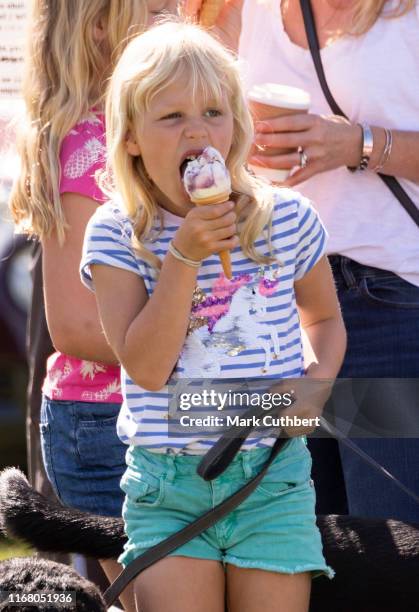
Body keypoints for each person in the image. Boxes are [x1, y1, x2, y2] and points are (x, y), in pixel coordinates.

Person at [80, 21, 346, 612]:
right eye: (171, 118)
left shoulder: (288, 218)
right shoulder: (120, 233)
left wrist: (317, 381)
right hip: (167, 481)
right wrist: (183, 256)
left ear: (237, 125)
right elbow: (146, 369)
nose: (198, 130)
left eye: (214, 112)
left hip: (270, 477)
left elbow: (324, 319)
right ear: (130, 139)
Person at [9, 1, 178, 609]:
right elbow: (78, 325)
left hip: (155, 414)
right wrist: (205, 353)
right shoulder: (91, 142)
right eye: (156, 6)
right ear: (100, 24)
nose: (178, 12)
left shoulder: (155, 130)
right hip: (108, 422)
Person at [236, 0, 419, 521]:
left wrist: (358, 144)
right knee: (301, 545)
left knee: (394, 548)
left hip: (391, 303)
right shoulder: (250, 10)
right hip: (280, 310)